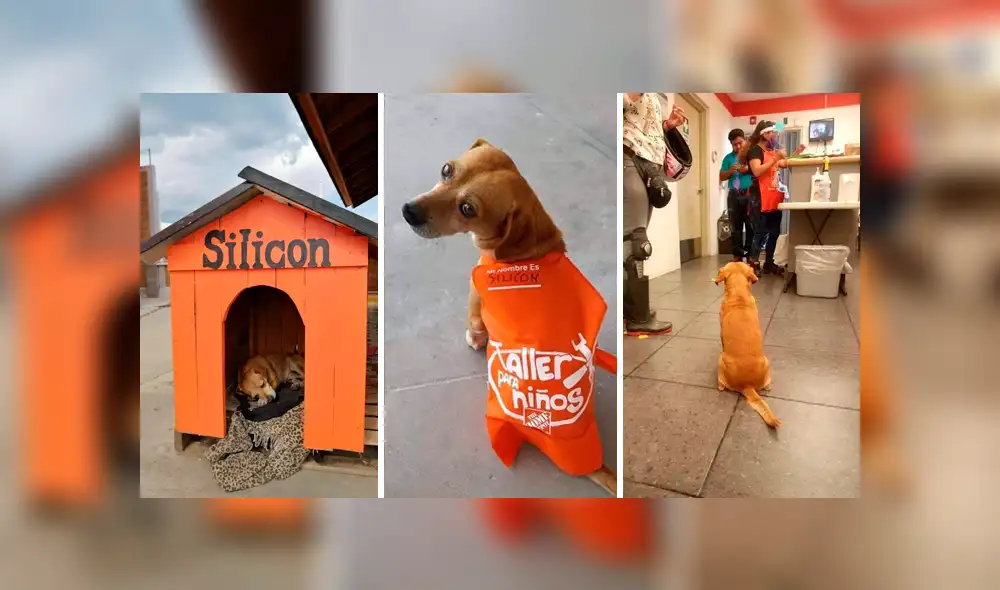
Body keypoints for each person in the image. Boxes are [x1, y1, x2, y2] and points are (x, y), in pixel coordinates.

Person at [622, 93, 685, 335]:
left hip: (650, 164)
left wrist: (667, 126)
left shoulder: (653, 96)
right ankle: (637, 317)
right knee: (636, 242)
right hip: (630, 157)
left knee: (635, 238)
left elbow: (642, 124)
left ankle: (632, 309)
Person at [741, 120, 804, 275]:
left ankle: (769, 263)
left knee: (774, 232)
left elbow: (784, 163)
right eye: (774, 132)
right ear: (766, 134)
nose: (775, 135)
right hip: (760, 197)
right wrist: (775, 158)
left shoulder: (770, 151)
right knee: (760, 232)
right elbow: (756, 171)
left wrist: (796, 153)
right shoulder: (755, 151)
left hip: (774, 196)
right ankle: (753, 263)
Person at [719, 129, 753, 261]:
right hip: (734, 195)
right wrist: (730, 171)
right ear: (731, 144)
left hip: (750, 195)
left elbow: (758, 171)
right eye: (734, 144)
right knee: (735, 227)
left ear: (744, 140)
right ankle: (737, 256)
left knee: (751, 226)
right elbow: (721, 176)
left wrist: (747, 170)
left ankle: (750, 256)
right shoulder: (728, 158)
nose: (738, 146)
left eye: (740, 143)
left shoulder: (752, 155)